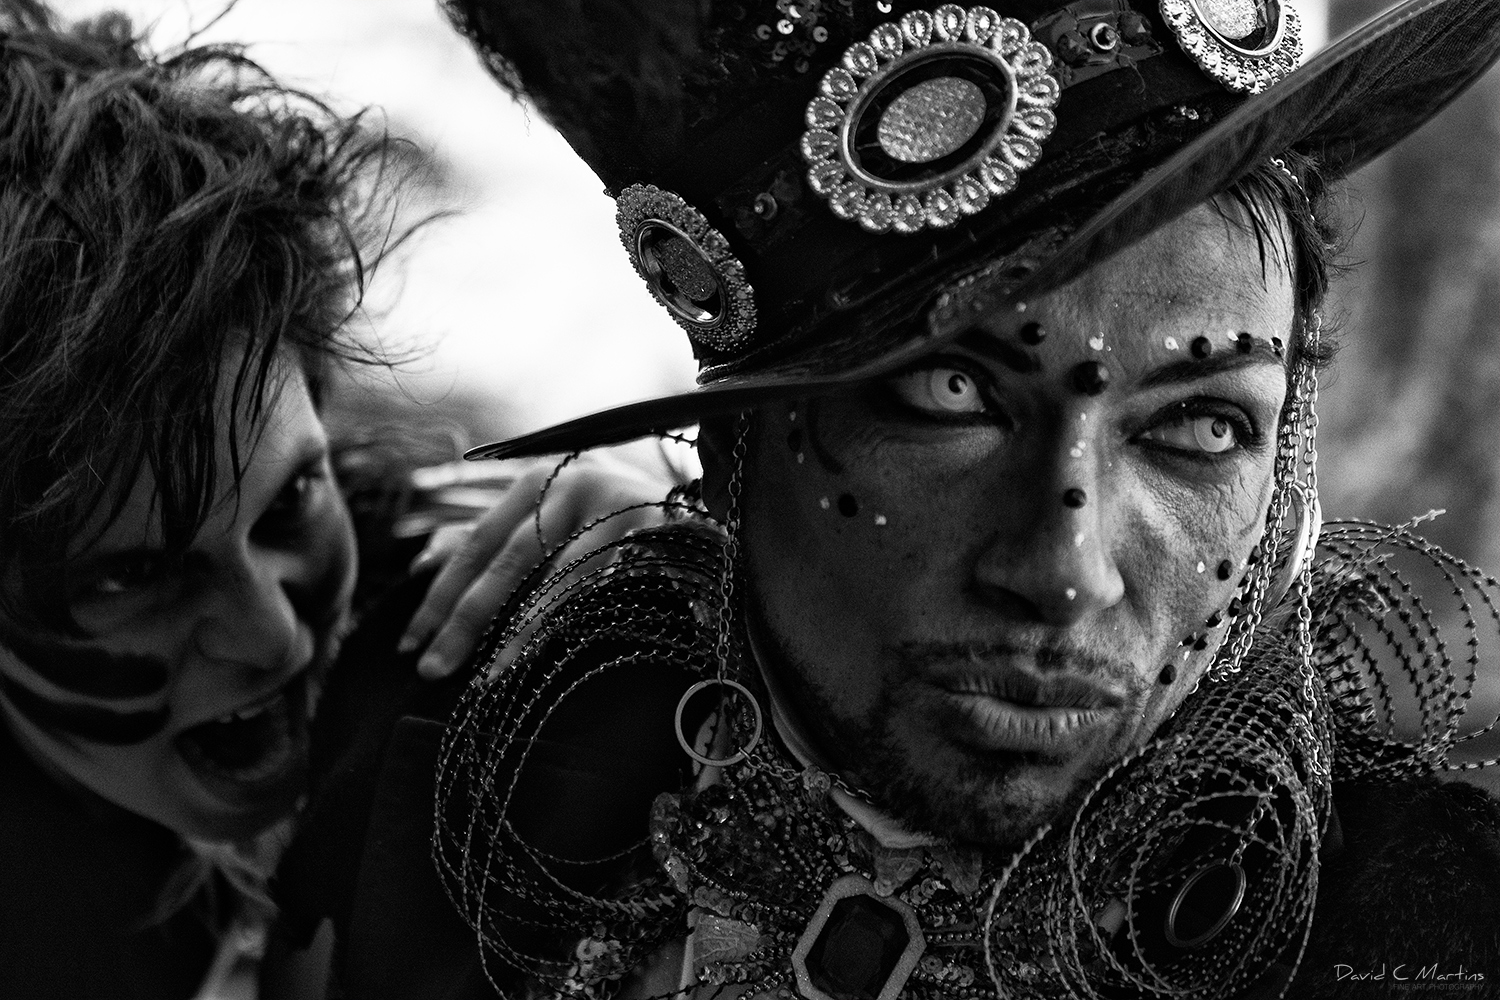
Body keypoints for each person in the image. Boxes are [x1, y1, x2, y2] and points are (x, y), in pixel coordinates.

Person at [279, 1, 1500, 998]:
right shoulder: (446, 747)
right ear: (732, 450)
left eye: (1200, 425)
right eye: (953, 394)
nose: (1064, 569)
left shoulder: (1428, 931)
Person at [0, 5, 668, 998]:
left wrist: (693, 571)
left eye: (290, 503)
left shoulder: (465, 604)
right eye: (132, 575)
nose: (270, 636)